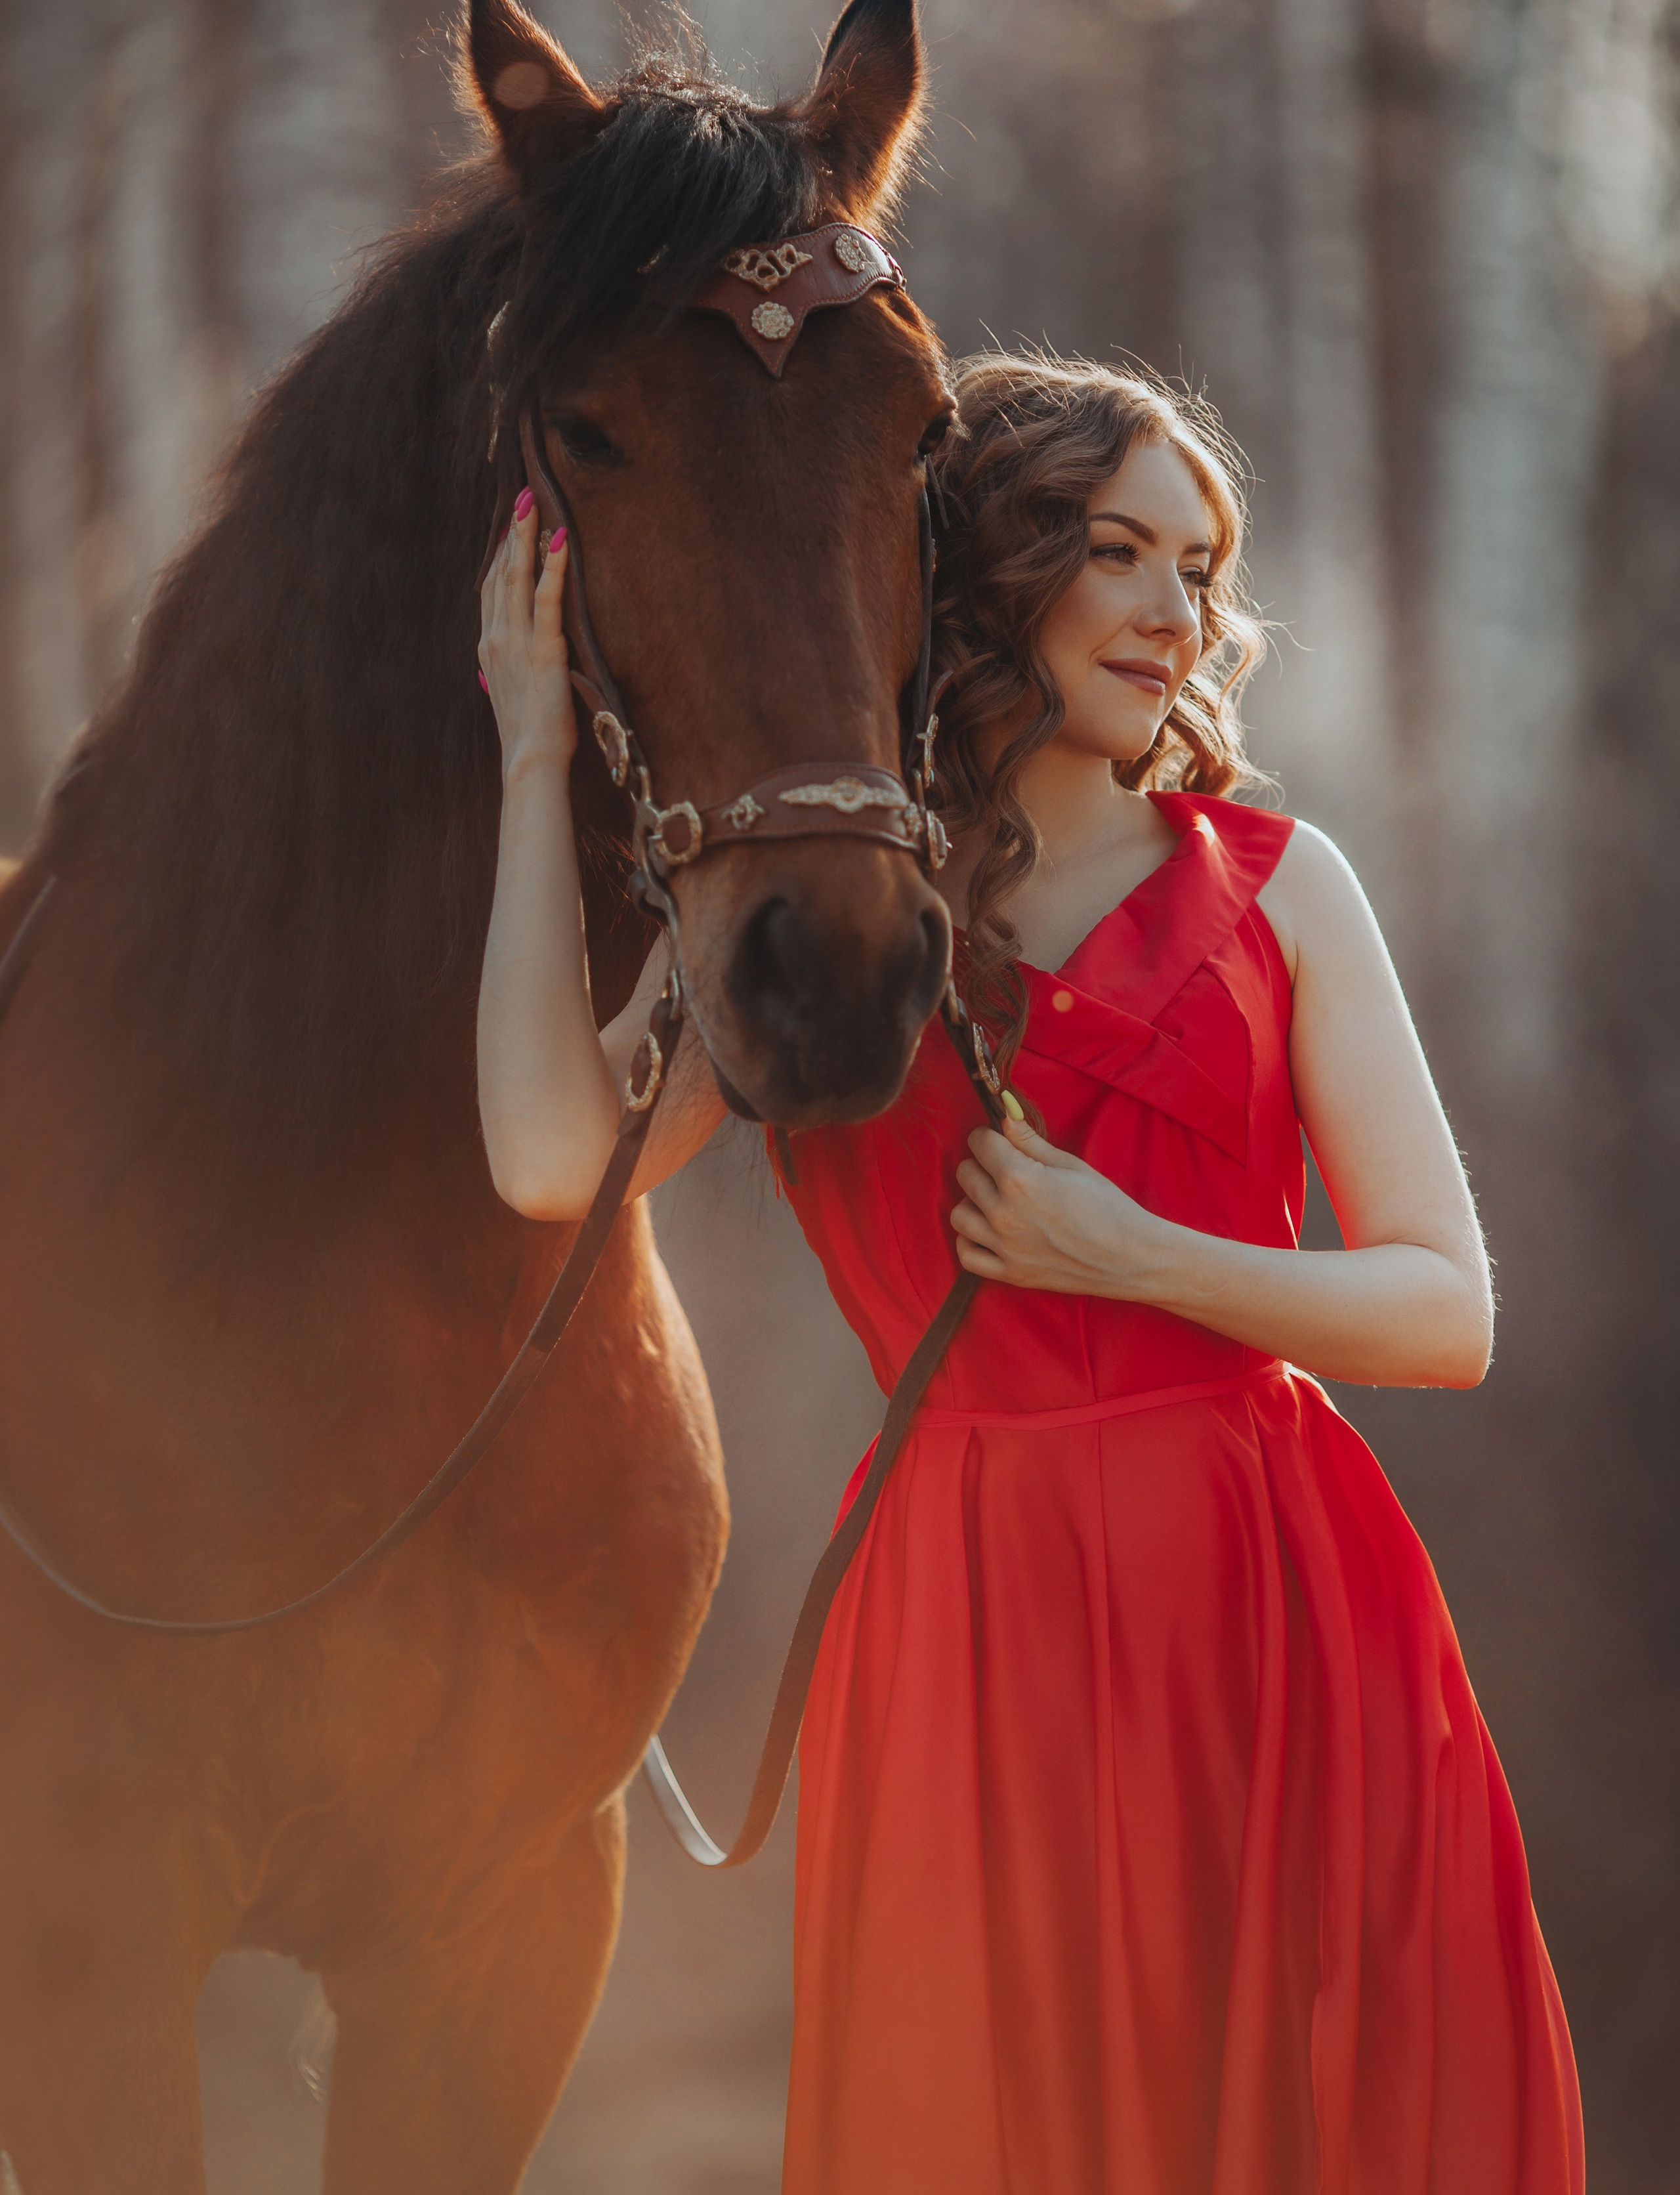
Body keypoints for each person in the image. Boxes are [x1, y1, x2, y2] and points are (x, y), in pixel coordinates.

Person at [476, 349, 1584, 2194]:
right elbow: (544, 1156)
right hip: (965, 1628)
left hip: (1279, 1613)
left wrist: (1135, 1255)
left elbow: (1445, 1308)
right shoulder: (823, 918)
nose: (1178, 614)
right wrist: (531, 756)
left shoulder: (1279, 886)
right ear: (993, 567)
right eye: (1120, 552)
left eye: (1200, 568)